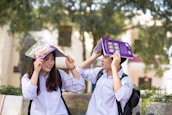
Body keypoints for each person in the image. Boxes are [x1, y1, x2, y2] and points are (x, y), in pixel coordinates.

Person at [21, 41, 85, 115]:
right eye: (46, 59)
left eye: (52, 59)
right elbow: (29, 95)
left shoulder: (59, 75)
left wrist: (72, 68)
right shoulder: (27, 77)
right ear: (37, 60)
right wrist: (36, 72)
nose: (50, 63)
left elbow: (79, 87)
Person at [77, 51, 133, 115]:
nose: (101, 59)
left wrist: (114, 67)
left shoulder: (125, 80)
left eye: (105, 57)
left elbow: (120, 96)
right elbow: (79, 71)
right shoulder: (100, 73)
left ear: (115, 59)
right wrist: (93, 57)